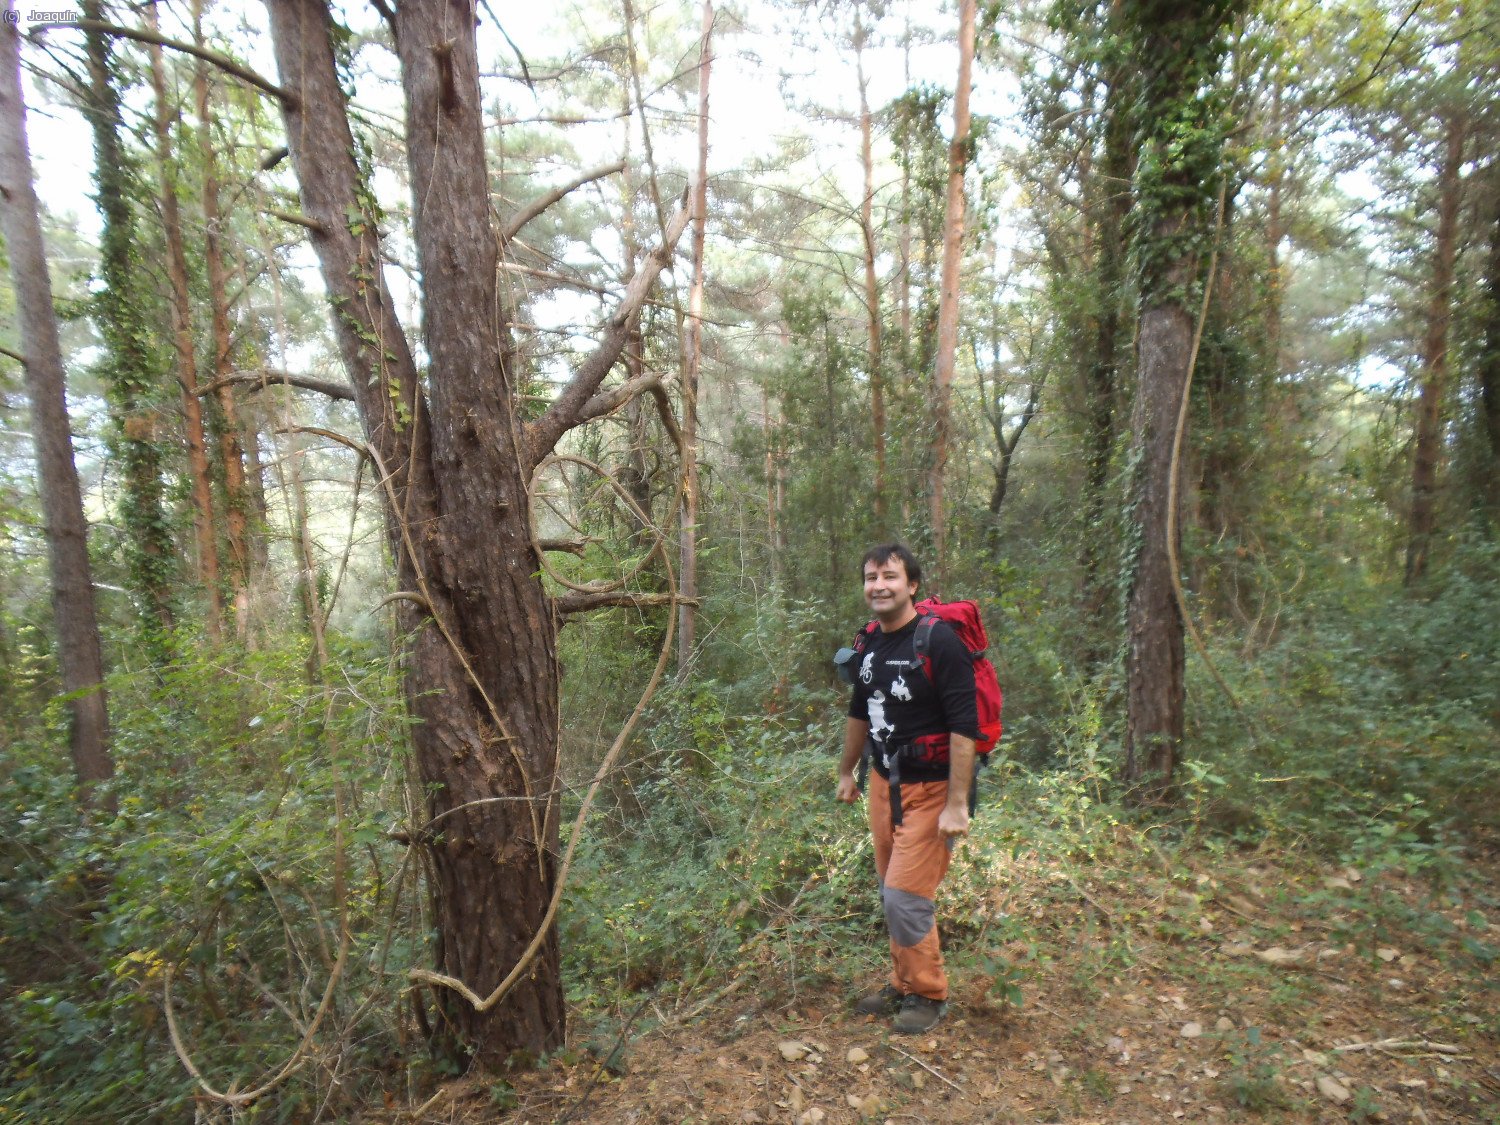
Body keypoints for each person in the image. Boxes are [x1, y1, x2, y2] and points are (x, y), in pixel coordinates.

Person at [837, 543, 978, 1034]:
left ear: (911, 585)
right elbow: (860, 710)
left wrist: (958, 804)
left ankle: (930, 993)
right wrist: (846, 771)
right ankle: (903, 981)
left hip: (934, 788)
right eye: (871, 576)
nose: (879, 585)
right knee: (889, 890)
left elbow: (966, 724)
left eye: (890, 576)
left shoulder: (939, 642)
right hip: (883, 783)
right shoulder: (868, 642)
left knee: (905, 896)